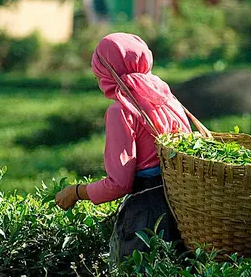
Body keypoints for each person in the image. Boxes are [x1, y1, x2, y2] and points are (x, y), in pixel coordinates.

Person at [55, 32, 191, 263]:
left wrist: (75, 192)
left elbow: (119, 184)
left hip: (148, 216)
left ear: (106, 72)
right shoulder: (167, 100)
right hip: (181, 207)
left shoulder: (121, 112)